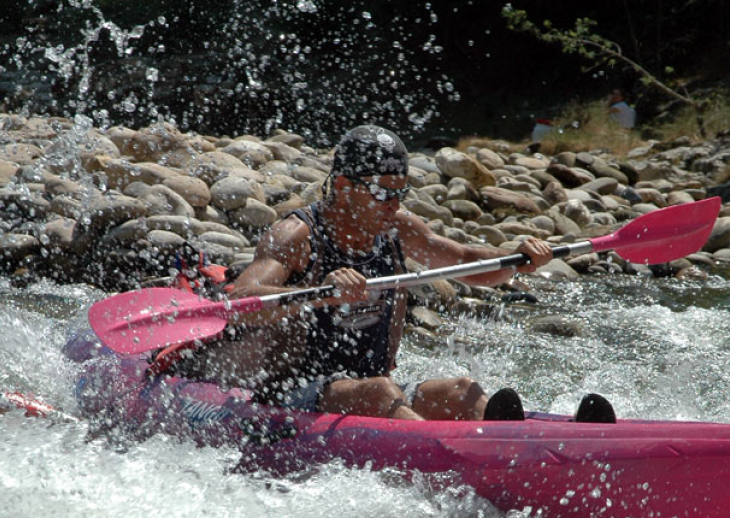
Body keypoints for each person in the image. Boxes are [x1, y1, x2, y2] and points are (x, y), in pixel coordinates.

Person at [180, 125, 553, 422]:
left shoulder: (397, 226)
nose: (394, 204)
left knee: (461, 389)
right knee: (379, 392)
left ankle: (512, 446)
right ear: (343, 186)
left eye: (399, 192)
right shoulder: (297, 235)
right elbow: (242, 300)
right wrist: (322, 292)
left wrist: (516, 259)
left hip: (369, 386)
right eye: (380, 192)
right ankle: (450, 459)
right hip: (292, 394)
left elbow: (465, 259)